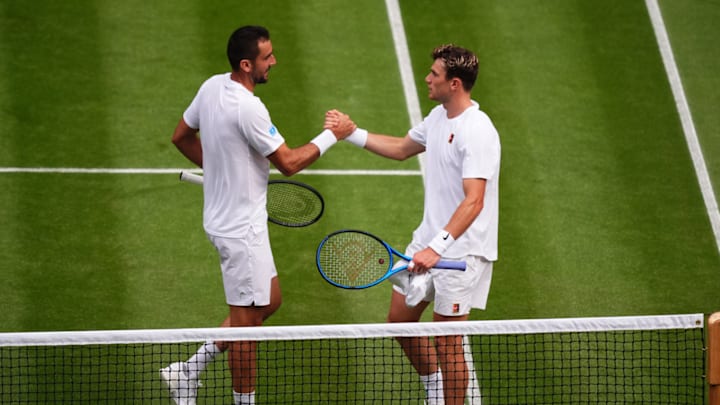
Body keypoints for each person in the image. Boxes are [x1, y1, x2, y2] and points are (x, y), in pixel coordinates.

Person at [161, 25, 355, 405]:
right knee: (246, 332)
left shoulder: (212, 86)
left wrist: (218, 171)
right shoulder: (248, 107)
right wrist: (334, 134)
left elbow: (180, 136)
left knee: (268, 303)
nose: (275, 62)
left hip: (233, 223)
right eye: (268, 57)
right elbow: (289, 163)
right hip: (239, 233)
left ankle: (187, 371)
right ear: (247, 64)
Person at [327, 44, 500, 405]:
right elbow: (403, 147)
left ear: (454, 84)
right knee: (399, 323)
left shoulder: (478, 131)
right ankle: (435, 387)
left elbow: (475, 200)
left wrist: (436, 249)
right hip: (427, 243)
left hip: (461, 255)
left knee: (449, 344)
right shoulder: (439, 117)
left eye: (434, 74)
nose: (427, 78)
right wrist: (351, 133)